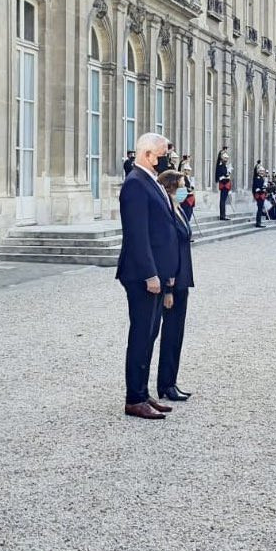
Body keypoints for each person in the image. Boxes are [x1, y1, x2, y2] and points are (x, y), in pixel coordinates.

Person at [116, 133, 180, 420]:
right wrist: (151, 274)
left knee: (151, 334)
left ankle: (142, 391)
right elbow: (137, 235)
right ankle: (134, 398)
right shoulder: (135, 184)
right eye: (164, 153)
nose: (167, 158)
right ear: (148, 154)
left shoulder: (148, 181)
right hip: (142, 276)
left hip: (155, 274)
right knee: (141, 335)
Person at [156, 170, 195, 402]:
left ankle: (171, 381)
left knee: (177, 334)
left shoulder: (178, 208)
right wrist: (168, 288)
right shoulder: (167, 212)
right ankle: (166, 385)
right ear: (171, 187)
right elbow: (167, 249)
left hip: (183, 278)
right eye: (182, 185)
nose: (185, 188)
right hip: (172, 281)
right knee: (170, 334)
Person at [215, 147, 231, 220]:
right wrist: (226, 177)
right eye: (225, 158)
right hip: (224, 184)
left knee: (223, 200)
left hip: (226, 184)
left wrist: (228, 173)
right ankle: (222, 215)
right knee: (222, 200)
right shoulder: (220, 165)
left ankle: (223, 214)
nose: (226, 159)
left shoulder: (224, 165)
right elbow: (220, 176)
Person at [252, 162, 267, 228]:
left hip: (261, 194)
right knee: (259, 209)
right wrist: (262, 189)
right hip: (259, 195)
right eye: (261, 171)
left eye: (262, 171)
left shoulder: (261, 178)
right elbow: (256, 188)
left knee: (260, 209)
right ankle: (258, 222)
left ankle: (259, 222)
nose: (262, 172)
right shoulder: (257, 178)